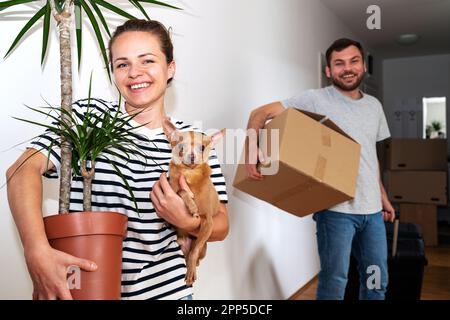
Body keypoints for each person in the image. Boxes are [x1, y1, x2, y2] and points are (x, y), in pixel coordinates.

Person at [6, 19, 229, 300]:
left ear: (170, 68)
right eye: (122, 64)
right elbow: (21, 171)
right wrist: (36, 250)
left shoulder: (192, 142)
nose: (135, 73)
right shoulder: (89, 118)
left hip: (171, 293)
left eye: (147, 60)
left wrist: (187, 221)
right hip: (88, 289)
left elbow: (221, 224)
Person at [245, 38, 395, 300]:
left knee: (376, 281)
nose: (347, 68)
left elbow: (371, 157)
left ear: (363, 67)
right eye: (339, 63)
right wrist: (252, 148)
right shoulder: (315, 99)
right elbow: (260, 113)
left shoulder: (374, 106)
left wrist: (383, 197)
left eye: (353, 61)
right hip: (336, 211)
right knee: (335, 281)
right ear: (328, 71)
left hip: (372, 213)